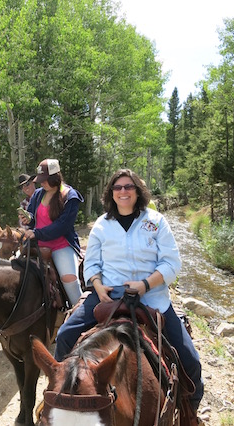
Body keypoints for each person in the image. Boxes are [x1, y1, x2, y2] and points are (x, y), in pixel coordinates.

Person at [54, 168, 203, 413]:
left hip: (152, 298)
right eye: (118, 187)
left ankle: (191, 410)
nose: (123, 191)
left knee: (191, 360)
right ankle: (64, 392)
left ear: (137, 191)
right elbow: (91, 263)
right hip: (109, 295)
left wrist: (145, 285)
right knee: (65, 336)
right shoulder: (102, 225)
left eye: (128, 187)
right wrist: (98, 285)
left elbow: (171, 263)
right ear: (111, 193)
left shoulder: (156, 222)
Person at [20, 159, 84, 307]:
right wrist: (27, 219)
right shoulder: (37, 195)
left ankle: (78, 311)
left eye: (45, 180)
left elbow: (62, 226)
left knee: (69, 278)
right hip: (37, 243)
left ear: (55, 177)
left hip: (61, 245)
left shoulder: (70, 196)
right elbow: (32, 217)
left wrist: (37, 233)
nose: (42, 183)